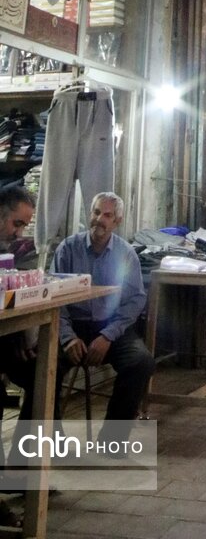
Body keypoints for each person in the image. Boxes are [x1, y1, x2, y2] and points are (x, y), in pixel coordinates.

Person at [53, 192, 154, 441]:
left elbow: (135, 300)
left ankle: (112, 440)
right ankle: (51, 444)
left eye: (107, 215)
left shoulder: (126, 253)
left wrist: (108, 335)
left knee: (141, 362)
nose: (100, 219)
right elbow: (54, 298)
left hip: (111, 328)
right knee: (43, 367)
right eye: (96, 212)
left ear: (117, 221)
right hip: (72, 326)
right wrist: (67, 337)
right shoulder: (68, 249)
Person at [0, 187, 36, 513]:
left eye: (24, 225)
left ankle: (25, 472)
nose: (19, 232)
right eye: (16, 223)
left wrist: (20, 338)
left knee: (45, 374)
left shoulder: (12, 251)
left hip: (6, 341)